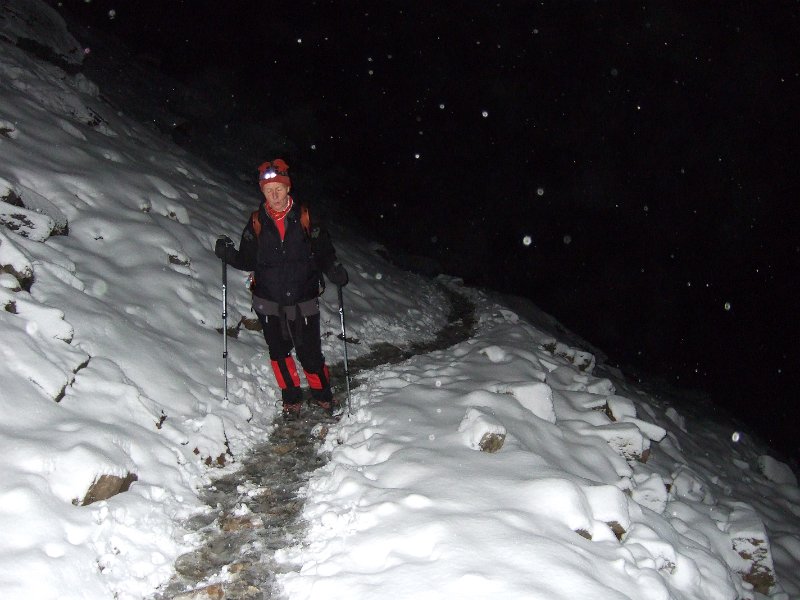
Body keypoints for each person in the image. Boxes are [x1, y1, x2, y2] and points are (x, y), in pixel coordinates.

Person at [215, 158, 348, 418]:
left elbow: (324, 252)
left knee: (310, 355)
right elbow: (247, 260)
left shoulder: (306, 217)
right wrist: (227, 253)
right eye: (268, 190)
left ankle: (322, 395)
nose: (274, 195)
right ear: (262, 192)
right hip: (268, 301)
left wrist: (333, 269)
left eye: (278, 188)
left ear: (288, 188)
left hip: (303, 299)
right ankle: (291, 398)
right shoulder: (257, 222)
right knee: (279, 353)